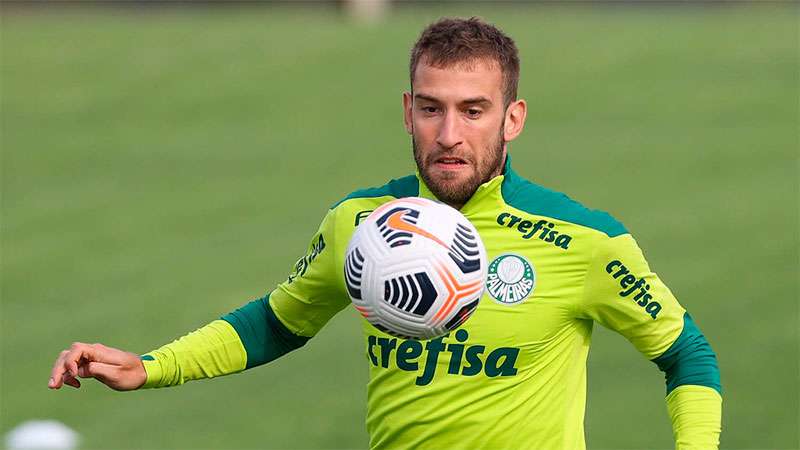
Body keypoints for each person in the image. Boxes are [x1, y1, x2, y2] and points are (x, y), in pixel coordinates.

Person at [49, 17, 722, 449]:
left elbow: (686, 353)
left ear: (513, 119)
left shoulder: (583, 240)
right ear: (408, 111)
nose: (449, 134)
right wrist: (153, 366)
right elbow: (279, 322)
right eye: (431, 109)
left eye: (473, 111)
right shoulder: (362, 224)